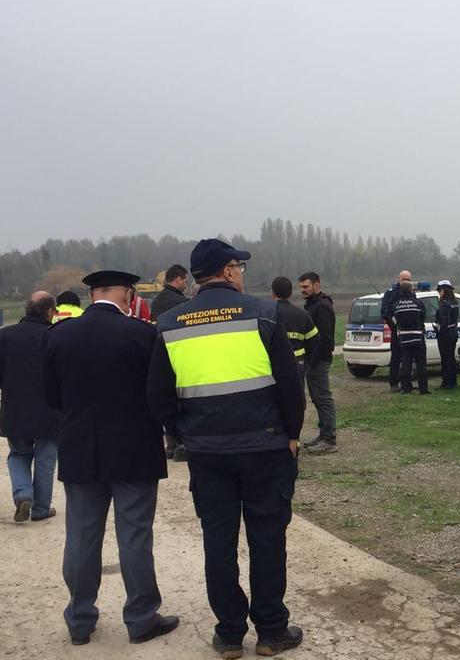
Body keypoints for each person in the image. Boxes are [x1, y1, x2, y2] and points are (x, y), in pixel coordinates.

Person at [147, 239, 306, 659]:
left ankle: (231, 634)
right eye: (240, 267)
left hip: (207, 454)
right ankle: (272, 631)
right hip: (266, 447)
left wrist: (183, 434)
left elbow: (158, 395)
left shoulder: (168, 322)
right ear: (230, 271)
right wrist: (291, 433)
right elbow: (290, 385)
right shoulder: (264, 313)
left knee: (218, 541)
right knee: (267, 538)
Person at [43, 270, 178, 646]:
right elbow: (160, 393)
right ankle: (141, 617)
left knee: (82, 536)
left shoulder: (58, 336)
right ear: (127, 295)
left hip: (80, 449)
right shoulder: (143, 335)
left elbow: (51, 396)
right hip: (135, 449)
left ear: (91, 296)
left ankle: (80, 619)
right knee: (134, 535)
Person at [0, 291, 61, 523]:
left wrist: (8, 385)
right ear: (49, 312)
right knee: (46, 457)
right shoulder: (55, 336)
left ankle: (23, 494)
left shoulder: (5, 336)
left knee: (18, 454)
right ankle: (41, 509)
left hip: (16, 408)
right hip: (51, 409)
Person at [149, 265, 191, 461]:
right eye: (186, 280)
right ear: (179, 279)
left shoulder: (157, 301)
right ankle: (181, 443)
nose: (187, 284)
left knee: (167, 398)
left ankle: (170, 445)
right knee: (181, 399)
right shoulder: (181, 302)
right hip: (180, 354)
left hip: (160, 353)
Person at [298, 272, 337, 454]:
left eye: (305, 287)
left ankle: (329, 439)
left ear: (316, 285)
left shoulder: (322, 307)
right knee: (317, 398)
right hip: (311, 360)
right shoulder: (312, 305)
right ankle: (323, 434)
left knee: (323, 398)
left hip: (318, 360)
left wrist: (314, 361)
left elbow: (325, 338)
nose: (302, 291)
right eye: (300, 288)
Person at [271, 276, 320, 370]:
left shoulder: (266, 314)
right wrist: (305, 362)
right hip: (298, 365)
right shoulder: (303, 315)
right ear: (290, 294)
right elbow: (315, 341)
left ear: (273, 293)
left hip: (273, 366)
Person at [391, 278, 429, 395]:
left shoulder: (396, 305)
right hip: (418, 337)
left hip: (404, 338)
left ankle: (406, 388)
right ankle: (423, 389)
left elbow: (394, 319)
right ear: (411, 290)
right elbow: (423, 317)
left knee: (406, 365)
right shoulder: (418, 303)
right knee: (421, 364)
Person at [380, 270, 412, 393]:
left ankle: (406, 383)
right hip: (397, 331)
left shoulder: (411, 292)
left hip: (409, 331)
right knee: (396, 358)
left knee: (408, 359)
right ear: (398, 278)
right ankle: (394, 383)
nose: (406, 281)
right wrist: (394, 326)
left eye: (408, 279)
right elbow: (385, 313)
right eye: (403, 279)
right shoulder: (391, 293)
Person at [434, 281, 460, 390]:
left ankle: (446, 382)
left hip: (445, 333)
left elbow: (444, 321)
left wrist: (439, 329)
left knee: (445, 358)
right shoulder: (455, 302)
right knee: (451, 357)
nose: (439, 293)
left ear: (443, 290)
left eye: (439, 290)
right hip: (453, 331)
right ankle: (453, 381)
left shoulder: (445, 304)